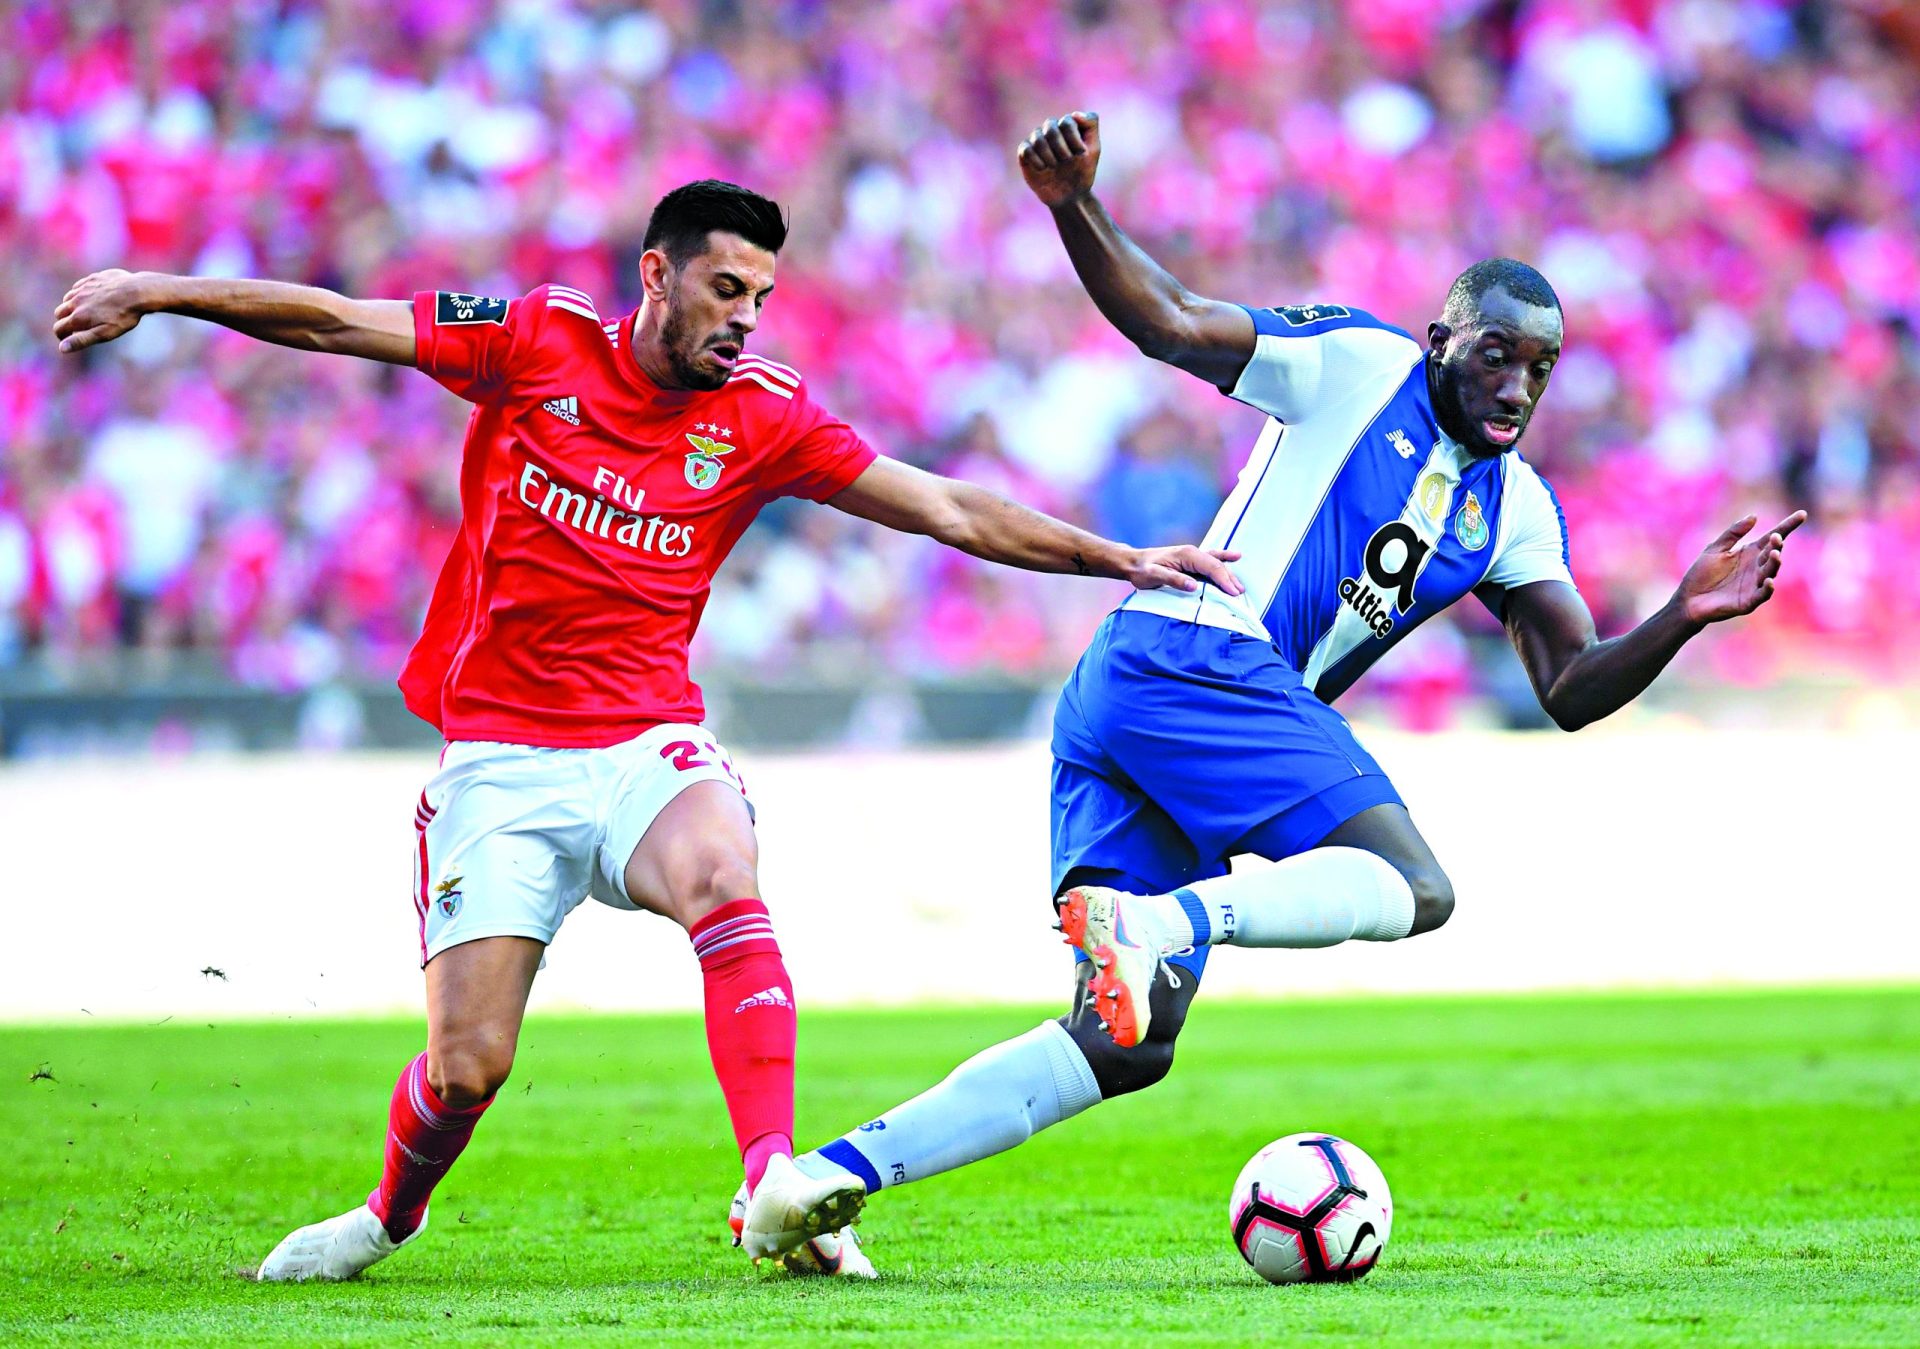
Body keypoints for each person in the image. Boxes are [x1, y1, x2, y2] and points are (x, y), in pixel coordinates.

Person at [52, 178, 1240, 1282]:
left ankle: (776, 1180)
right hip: (502, 758)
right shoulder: (534, 341)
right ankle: (386, 1214)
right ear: (657, 275)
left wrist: (1119, 556)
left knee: (724, 869)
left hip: (644, 740)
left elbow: (937, 503)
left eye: (764, 298)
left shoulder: (764, 416)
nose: (747, 320)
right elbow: (335, 321)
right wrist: (157, 291)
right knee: (469, 1066)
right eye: (728, 289)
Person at [782, 112, 1807, 1258]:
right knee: (1413, 885)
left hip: (1152, 701)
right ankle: (1160, 917)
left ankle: (819, 1181)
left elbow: (1566, 684)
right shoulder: (1357, 364)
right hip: (1196, 653)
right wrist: (1074, 204)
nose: (1516, 387)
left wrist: (1678, 613)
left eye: (1539, 368)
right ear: (1439, 341)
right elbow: (1170, 323)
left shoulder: (1516, 507)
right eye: (1494, 356)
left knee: (1124, 1045)